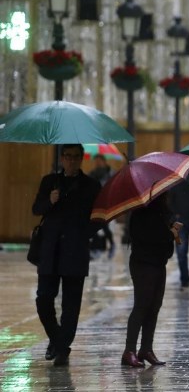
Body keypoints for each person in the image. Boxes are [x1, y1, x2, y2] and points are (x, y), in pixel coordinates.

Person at [31, 144, 102, 366]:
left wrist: (83, 234)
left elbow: (99, 217)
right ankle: (58, 341)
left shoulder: (91, 186)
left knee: (71, 307)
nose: (71, 161)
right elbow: (36, 209)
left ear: (82, 159)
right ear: (62, 158)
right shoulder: (49, 182)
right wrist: (50, 201)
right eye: (68, 156)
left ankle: (60, 347)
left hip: (75, 252)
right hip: (50, 251)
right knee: (43, 299)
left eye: (76, 157)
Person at [121, 192, 181, 368]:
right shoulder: (141, 210)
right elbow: (148, 236)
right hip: (143, 263)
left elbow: (160, 231)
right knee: (142, 305)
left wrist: (171, 227)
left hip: (158, 262)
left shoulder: (161, 209)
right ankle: (129, 351)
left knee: (154, 306)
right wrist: (170, 233)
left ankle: (146, 349)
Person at [88, 154, 115, 259]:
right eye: (96, 161)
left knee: (105, 225)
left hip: (106, 203)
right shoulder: (92, 174)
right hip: (94, 203)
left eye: (99, 161)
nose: (97, 163)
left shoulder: (110, 173)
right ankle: (96, 247)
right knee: (95, 224)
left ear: (104, 161)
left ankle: (111, 244)